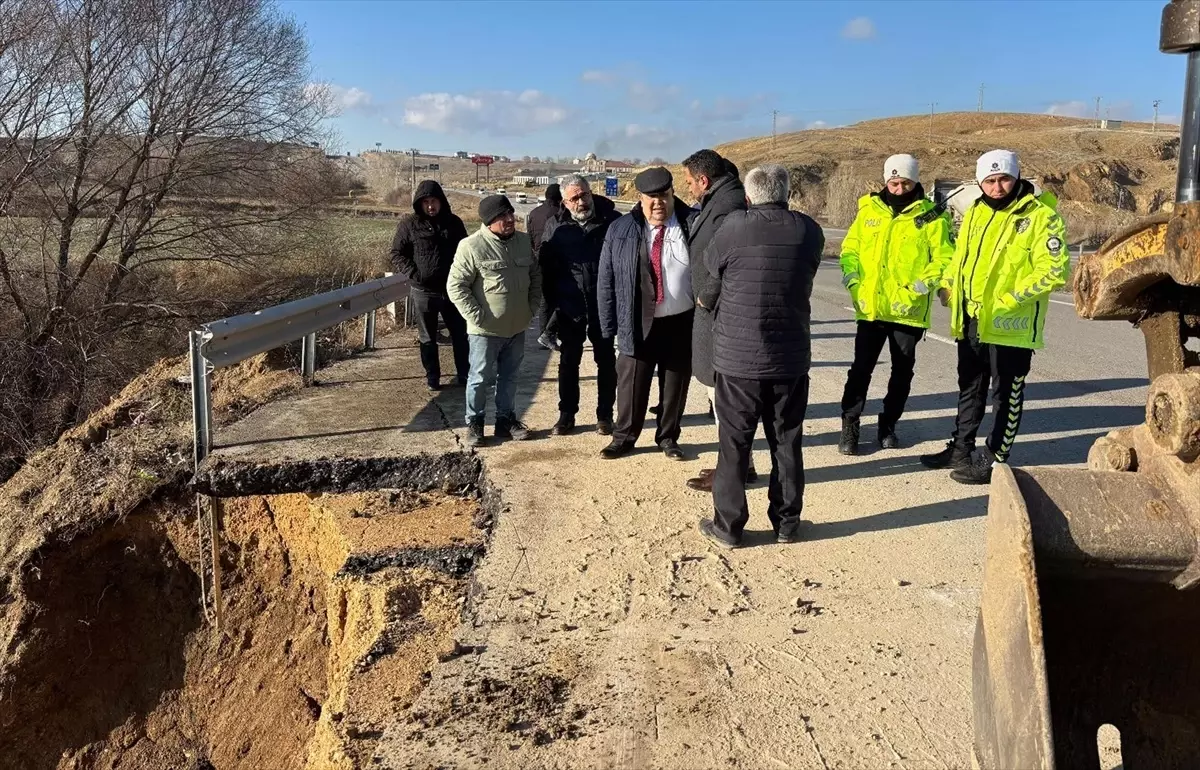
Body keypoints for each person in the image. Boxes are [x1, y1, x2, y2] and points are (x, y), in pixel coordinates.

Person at [920, 150, 1068, 484]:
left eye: (1003, 179)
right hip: (971, 318)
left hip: (1010, 324)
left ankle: (995, 458)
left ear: (1017, 177)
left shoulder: (1041, 216)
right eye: (990, 180)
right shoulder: (976, 211)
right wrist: (948, 287)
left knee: (1007, 394)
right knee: (970, 387)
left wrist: (1008, 301)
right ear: (980, 182)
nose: (997, 187)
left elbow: (1054, 271)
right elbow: (960, 258)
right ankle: (961, 448)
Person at [698, 164, 823, 548]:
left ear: (749, 196)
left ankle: (729, 526)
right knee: (786, 441)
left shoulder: (735, 226)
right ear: (787, 194)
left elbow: (710, 267)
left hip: (739, 361)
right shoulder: (808, 230)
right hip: (789, 359)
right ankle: (787, 522)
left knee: (734, 444)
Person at [838, 154, 954, 454]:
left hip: (908, 311)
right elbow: (850, 250)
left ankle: (888, 425)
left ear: (916, 182)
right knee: (861, 370)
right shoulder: (868, 212)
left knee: (902, 373)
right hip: (872, 308)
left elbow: (943, 261)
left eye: (905, 182)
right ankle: (850, 425)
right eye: (893, 182)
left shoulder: (932, 217)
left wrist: (916, 290)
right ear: (885, 181)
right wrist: (854, 284)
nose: (899, 188)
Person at [597, 167, 695, 461]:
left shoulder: (693, 224)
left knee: (675, 386)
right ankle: (624, 436)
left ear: (672, 194)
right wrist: (608, 327)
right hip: (636, 320)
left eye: (663, 196)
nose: (658, 204)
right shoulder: (620, 229)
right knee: (631, 385)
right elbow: (606, 279)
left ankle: (667, 437)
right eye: (651, 198)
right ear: (639, 199)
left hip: (681, 321)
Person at [679, 149, 751, 493]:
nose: (688, 187)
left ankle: (733, 471)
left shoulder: (728, 206)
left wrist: (708, 294)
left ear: (704, 180)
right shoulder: (720, 200)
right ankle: (737, 465)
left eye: (690, 181)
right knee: (719, 397)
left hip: (719, 315)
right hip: (713, 314)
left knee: (724, 399)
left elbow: (731, 257)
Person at [447, 195, 542, 448]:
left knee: (510, 377)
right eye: (502, 217)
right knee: (479, 378)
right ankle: (475, 423)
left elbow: (535, 277)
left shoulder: (523, 242)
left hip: (517, 327)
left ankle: (505, 421)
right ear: (489, 221)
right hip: (485, 331)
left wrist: (531, 308)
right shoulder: (471, 246)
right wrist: (478, 317)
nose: (509, 219)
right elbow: (456, 287)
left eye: (510, 213)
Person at [540, 175, 622, 436]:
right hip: (570, 306)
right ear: (565, 201)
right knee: (568, 361)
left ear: (590, 192)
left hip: (604, 304)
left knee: (606, 361)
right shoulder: (555, 226)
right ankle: (566, 415)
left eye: (584, 194)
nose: (581, 201)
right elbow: (545, 272)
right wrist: (547, 317)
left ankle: (605, 415)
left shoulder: (613, 220)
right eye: (574, 198)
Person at [389, 180, 470, 392]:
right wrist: (415, 273)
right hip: (423, 292)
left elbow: (467, 252)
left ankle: (465, 373)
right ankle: (432, 376)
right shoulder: (409, 225)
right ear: (419, 204)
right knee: (427, 338)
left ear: (441, 201)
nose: (431, 206)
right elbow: (396, 253)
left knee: (460, 334)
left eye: (434, 201)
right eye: (426, 202)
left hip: (453, 290)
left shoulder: (454, 223)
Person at [527, 183, 564, 352]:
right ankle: (555, 334)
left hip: (539, 261)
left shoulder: (534, 213)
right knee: (562, 299)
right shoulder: (561, 213)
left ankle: (543, 334)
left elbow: (529, 238)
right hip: (560, 262)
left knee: (545, 301)